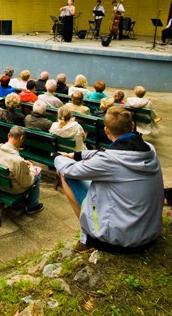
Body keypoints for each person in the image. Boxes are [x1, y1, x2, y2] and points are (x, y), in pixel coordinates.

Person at [55, 106, 163, 251]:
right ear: (132, 126)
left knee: (66, 175)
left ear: (106, 130)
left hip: (119, 241)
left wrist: (58, 158)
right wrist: (76, 155)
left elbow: (69, 170)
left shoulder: (109, 161)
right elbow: (104, 154)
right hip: (150, 233)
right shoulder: (149, 149)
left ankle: (88, 237)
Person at [0, 127, 45, 214]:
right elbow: (27, 183)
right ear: (21, 138)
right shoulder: (18, 161)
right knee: (37, 174)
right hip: (13, 189)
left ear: (8, 135)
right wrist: (32, 168)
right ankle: (33, 206)